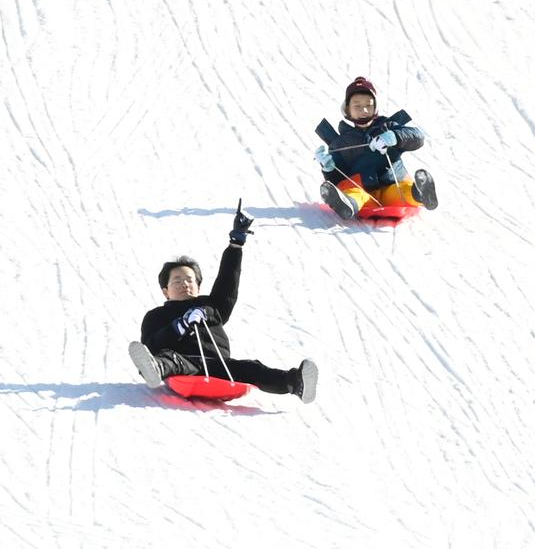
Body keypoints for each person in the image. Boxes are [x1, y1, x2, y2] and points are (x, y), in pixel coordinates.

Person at [128, 206, 319, 403]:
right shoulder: (156, 315)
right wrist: (180, 325)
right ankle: (156, 369)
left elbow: (227, 283)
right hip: (184, 364)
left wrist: (236, 244)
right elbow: (151, 344)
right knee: (169, 358)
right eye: (176, 281)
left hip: (220, 366)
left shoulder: (211, 306)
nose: (184, 284)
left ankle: (296, 383)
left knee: (252, 368)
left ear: (198, 286)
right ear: (165, 291)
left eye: (189, 280)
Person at [313, 76, 438, 220]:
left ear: (375, 108)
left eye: (369, 105)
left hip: (392, 184)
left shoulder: (388, 126)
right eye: (357, 106)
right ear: (347, 109)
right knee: (355, 194)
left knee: (400, 192)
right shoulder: (340, 143)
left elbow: (418, 137)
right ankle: (346, 205)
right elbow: (339, 179)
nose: (364, 110)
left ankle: (420, 193)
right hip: (364, 192)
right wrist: (328, 168)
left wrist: (394, 136)